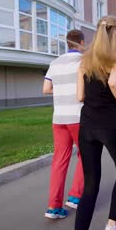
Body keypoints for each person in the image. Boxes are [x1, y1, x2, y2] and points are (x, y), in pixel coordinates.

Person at [75, 16, 116, 230]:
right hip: (112, 126)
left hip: (87, 127)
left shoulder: (85, 61)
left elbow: (80, 96)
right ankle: (112, 227)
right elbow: (113, 82)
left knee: (90, 184)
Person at [43, 29, 86, 219]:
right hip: (79, 118)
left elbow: (46, 89)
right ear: (82, 42)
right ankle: (75, 197)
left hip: (59, 118)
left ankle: (53, 207)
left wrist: (61, 90)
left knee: (60, 160)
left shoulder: (54, 62)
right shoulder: (85, 61)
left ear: (67, 43)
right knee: (86, 156)